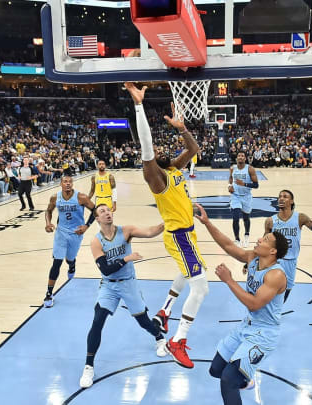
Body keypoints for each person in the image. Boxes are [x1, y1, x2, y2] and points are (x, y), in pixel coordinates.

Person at [125, 82, 208, 369]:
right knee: (201, 289)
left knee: (189, 274)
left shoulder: (173, 167)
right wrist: (139, 105)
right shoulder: (156, 178)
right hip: (179, 237)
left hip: (187, 233)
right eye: (155, 151)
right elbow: (146, 148)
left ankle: (165, 309)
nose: (158, 150)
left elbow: (194, 148)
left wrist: (182, 128)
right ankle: (178, 341)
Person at [194, 203, 289, 404]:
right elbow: (229, 246)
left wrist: (229, 280)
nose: (259, 239)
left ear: (272, 251)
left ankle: (242, 377)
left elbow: (255, 304)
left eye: (265, 240)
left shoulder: (276, 275)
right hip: (247, 326)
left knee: (228, 380)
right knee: (216, 370)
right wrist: (207, 223)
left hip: (264, 334)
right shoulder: (253, 258)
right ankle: (246, 380)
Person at [79, 204, 168, 388]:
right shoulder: (96, 242)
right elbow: (106, 269)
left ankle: (159, 337)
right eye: (102, 211)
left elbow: (151, 232)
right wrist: (127, 258)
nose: (107, 213)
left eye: (108, 210)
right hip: (109, 286)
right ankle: (88, 366)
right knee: (97, 321)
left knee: (143, 321)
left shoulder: (126, 231)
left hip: (128, 282)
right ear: (97, 219)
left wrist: (169, 221)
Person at [43, 175, 96, 307]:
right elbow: (48, 211)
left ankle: (72, 264)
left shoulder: (81, 197)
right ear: (60, 183)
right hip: (61, 233)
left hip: (76, 233)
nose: (68, 184)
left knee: (69, 258)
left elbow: (95, 210)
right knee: (57, 262)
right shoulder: (55, 197)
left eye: (70, 182)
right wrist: (48, 223)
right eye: (65, 181)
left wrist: (87, 226)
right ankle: (49, 294)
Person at [264, 190, 312, 300]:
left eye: (285, 196)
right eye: (280, 196)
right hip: (275, 260)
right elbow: (264, 243)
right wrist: (251, 260)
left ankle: (274, 310)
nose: (281, 198)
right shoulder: (270, 221)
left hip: (291, 261)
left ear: (292, 201)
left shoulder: (300, 218)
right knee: (269, 288)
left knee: (286, 290)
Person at [228, 152, 258, 247]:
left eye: (242, 156)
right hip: (235, 196)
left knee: (246, 218)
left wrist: (244, 184)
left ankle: (246, 235)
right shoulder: (233, 168)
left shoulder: (250, 169)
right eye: (239, 156)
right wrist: (229, 186)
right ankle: (237, 239)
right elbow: (230, 178)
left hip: (246, 196)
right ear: (237, 158)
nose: (240, 157)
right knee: (235, 218)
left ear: (245, 158)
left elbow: (256, 185)